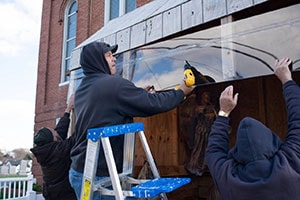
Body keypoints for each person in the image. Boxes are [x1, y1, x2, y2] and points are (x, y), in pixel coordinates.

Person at [69, 41, 195, 199]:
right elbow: (154, 104)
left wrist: (135, 93)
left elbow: (107, 105)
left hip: (81, 172)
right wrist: (182, 92)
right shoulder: (114, 85)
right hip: (101, 176)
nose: (114, 59)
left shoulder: (83, 88)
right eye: (108, 56)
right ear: (97, 61)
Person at [205, 57, 300, 200]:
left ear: (237, 150)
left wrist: (224, 112)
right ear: (272, 140)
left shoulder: (229, 178)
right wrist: (286, 80)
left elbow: (213, 150)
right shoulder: (289, 161)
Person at [30, 93, 76, 200]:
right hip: (63, 195)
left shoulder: (45, 150)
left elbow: (60, 131)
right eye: (53, 132)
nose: (55, 131)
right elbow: (77, 136)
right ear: (53, 139)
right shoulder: (58, 152)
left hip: (51, 193)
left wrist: (68, 110)